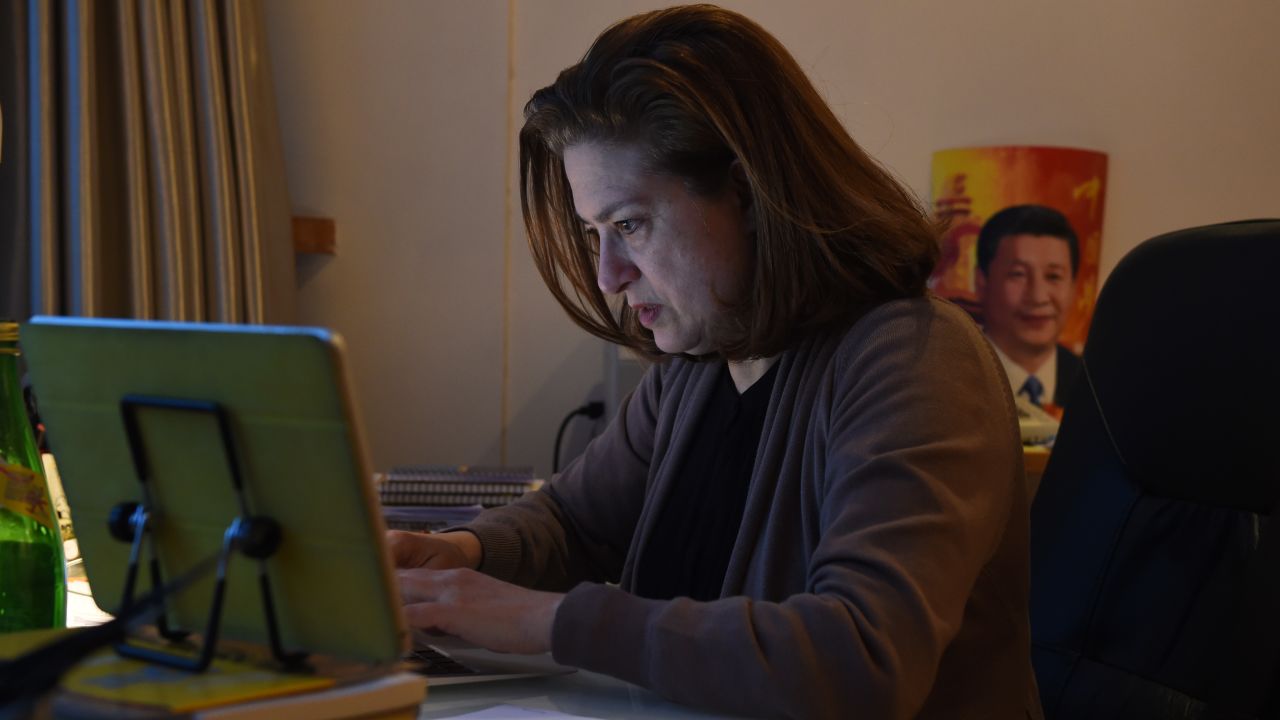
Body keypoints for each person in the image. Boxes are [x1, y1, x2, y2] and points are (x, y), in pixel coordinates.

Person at [391, 6, 1041, 719]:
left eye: (630, 225)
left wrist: (547, 621)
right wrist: (458, 556)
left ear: (749, 193)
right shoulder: (698, 365)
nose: (608, 275)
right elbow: (579, 522)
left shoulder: (917, 360)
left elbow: (863, 658)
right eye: (593, 233)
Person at [975, 204, 1083, 409]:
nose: (1038, 297)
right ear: (981, 282)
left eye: (1054, 276)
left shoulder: (1095, 384)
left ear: (1073, 288)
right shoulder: (947, 379)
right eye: (1018, 274)